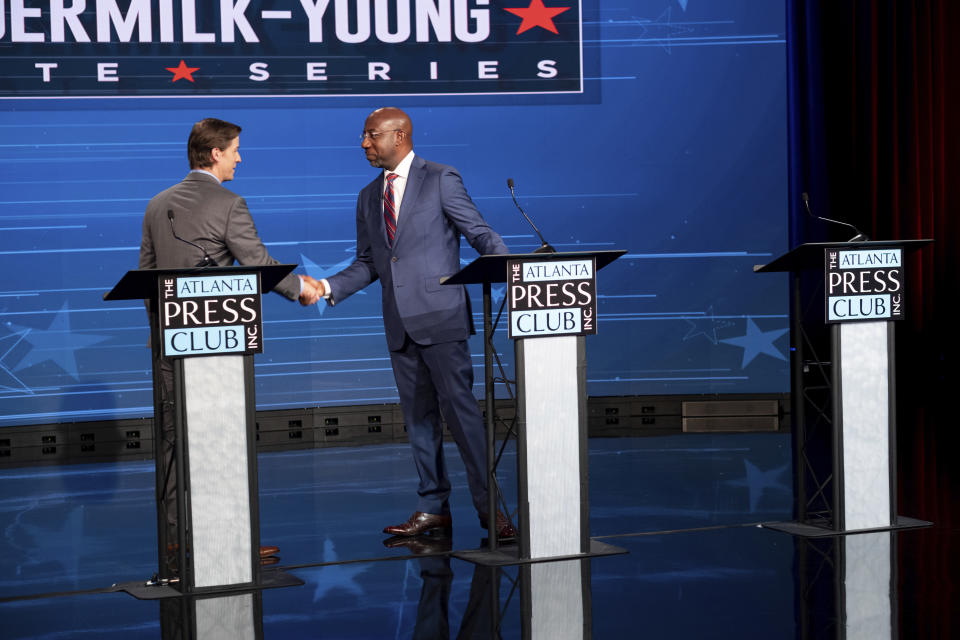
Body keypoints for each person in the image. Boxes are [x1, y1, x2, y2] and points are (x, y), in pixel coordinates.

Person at [317, 107, 516, 540]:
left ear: (400, 136)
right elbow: (370, 262)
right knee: (419, 422)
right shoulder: (368, 196)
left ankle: (493, 512)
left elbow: (479, 232)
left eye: (371, 136)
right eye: (364, 136)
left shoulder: (440, 178)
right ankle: (433, 508)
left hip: (442, 319)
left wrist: (511, 268)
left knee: (463, 421)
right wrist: (329, 287)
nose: (364, 144)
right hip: (400, 325)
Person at [139, 118, 322, 566]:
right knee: (222, 438)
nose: (240, 157)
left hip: (169, 346)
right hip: (218, 349)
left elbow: (147, 278)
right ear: (215, 153)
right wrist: (302, 287)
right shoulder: (228, 203)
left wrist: (165, 334)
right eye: (236, 149)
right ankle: (230, 537)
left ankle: (176, 540)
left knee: (173, 440)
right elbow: (256, 261)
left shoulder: (155, 204)